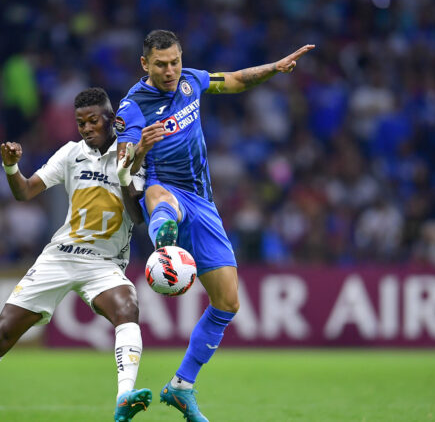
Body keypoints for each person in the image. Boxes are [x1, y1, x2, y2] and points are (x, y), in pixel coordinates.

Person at [117, 30, 315, 421]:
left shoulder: (191, 80)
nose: (170, 70)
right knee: (160, 199)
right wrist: (139, 150)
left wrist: (275, 68)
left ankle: (181, 386)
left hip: (203, 203)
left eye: (174, 61)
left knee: (227, 302)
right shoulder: (133, 106)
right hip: (162, 186)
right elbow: (123, 166)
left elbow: (236, 80)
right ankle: (165, 248)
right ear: (145, 64)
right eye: (161, 64)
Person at [0, 87, 156, 422]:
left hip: (104, 263)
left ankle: (124, 397)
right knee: (0, 335)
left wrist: (126, 173)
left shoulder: (134, 154)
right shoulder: (70, 153)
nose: (86, 128)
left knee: (128, 307)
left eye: (93, 120)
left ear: (111, 119)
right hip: (61, 256)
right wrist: (11, 167)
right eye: (80, 123)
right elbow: (25, 191)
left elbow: (138, 217)